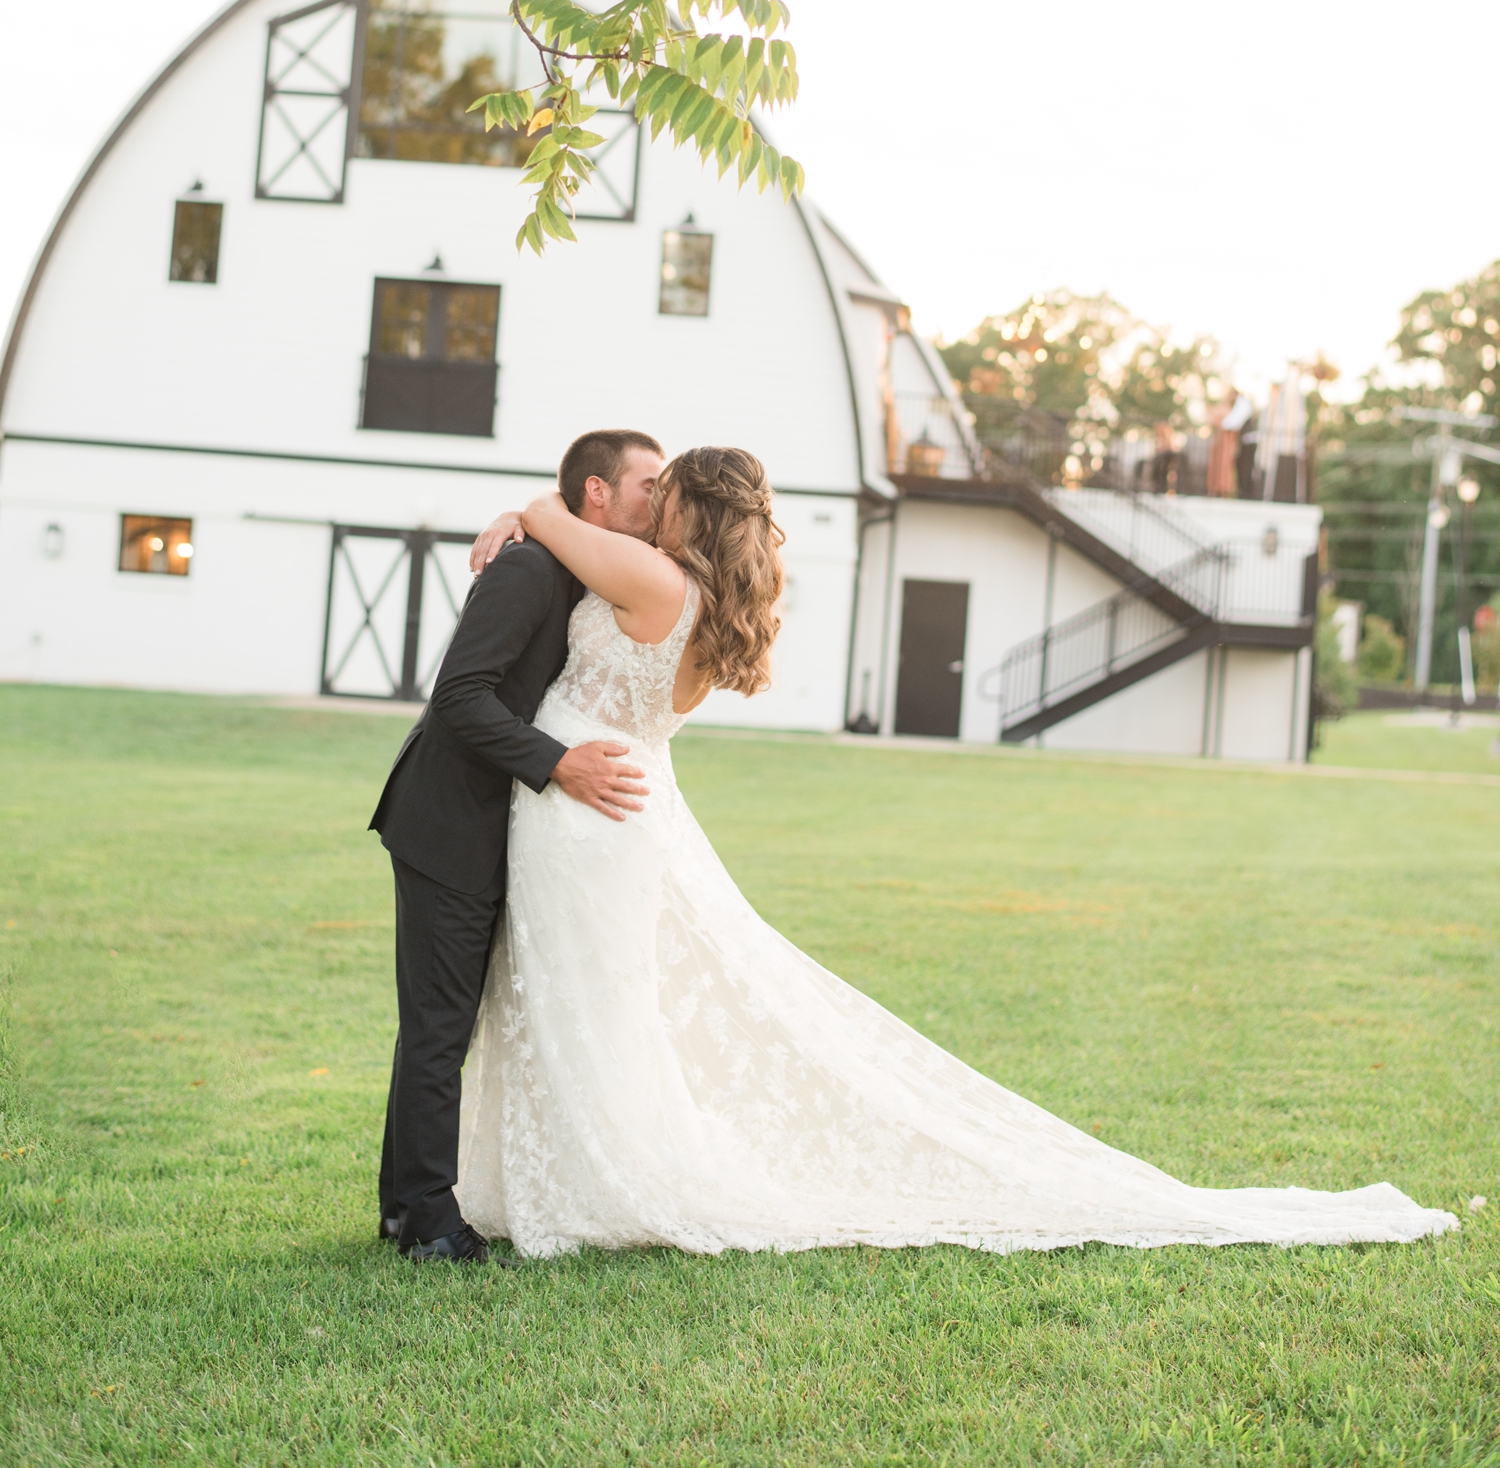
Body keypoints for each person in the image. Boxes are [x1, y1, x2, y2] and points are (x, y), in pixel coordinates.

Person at [453, 444, 1455, 1258]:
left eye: (665, 492)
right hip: (619, 812)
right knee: (599, 998)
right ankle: (589, 1167)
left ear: (688, 515)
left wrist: (520, 512)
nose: (652, 502)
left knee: (583, 996)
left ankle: (603, 1180)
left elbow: (551, 518)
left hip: (586, 809)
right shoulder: (710, 605)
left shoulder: (653, 576)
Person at [368, 427, 666, 1262]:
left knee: (440, 1023)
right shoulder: (531, 566)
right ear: (598, 492)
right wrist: (559, 763)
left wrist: (523, 511)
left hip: (491, 824)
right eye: (649, 480)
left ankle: (403, 1204)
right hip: (448, 820)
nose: (662, 494)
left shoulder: (568, 554)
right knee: (438, 1025)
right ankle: (428, 1222)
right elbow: (459, 694)